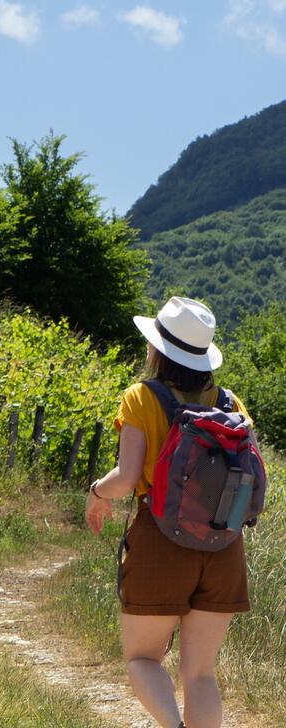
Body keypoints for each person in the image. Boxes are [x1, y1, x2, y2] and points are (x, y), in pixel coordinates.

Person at [85, 296, 253, 728]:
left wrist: (97, 492)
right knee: (199, 673)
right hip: (223, 543)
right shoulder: (230, 402)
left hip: (161, 539)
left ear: (157, 349)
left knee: (142, 658)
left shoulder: (142, 397)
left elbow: (126, 479)